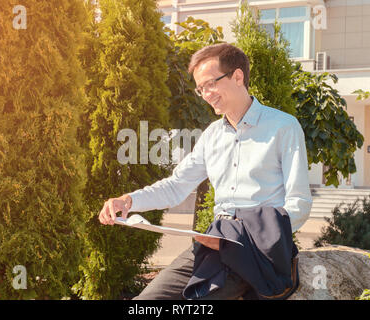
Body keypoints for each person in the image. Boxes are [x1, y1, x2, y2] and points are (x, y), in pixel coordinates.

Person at [98, 43, 312, 300]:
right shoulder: (211, 136)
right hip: (213, 242)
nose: (206, 94)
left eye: (211, 83)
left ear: (238, 76)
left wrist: (249, 236)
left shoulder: (283, 127)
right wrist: (129, 200)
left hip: (256, 252)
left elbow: (299, 204)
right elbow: (177, 185)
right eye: (201, 89)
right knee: (145, 303)